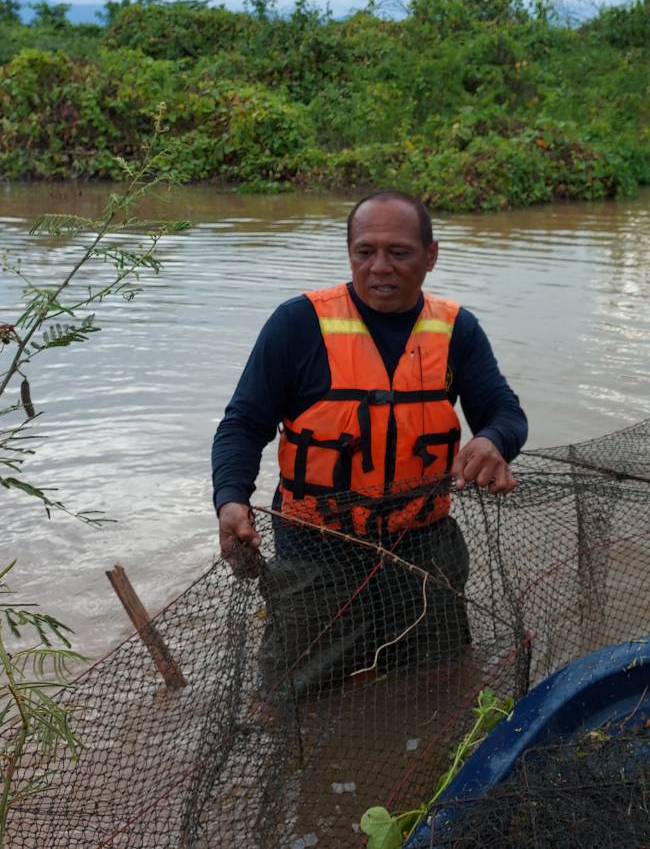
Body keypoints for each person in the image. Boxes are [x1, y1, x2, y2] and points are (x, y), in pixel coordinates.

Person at [211, 189, 528, 693]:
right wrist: (230, 500)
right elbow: (243, 424)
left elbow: (505, 413)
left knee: (437, 681)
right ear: (350, 253)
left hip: (422, 545)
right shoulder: (297, 324)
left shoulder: (456, 330)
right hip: (317, 546)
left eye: (398, 252)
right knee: (292, 695)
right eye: (365, 251)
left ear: (431, 255)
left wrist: (494, 441)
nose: (380, 266)